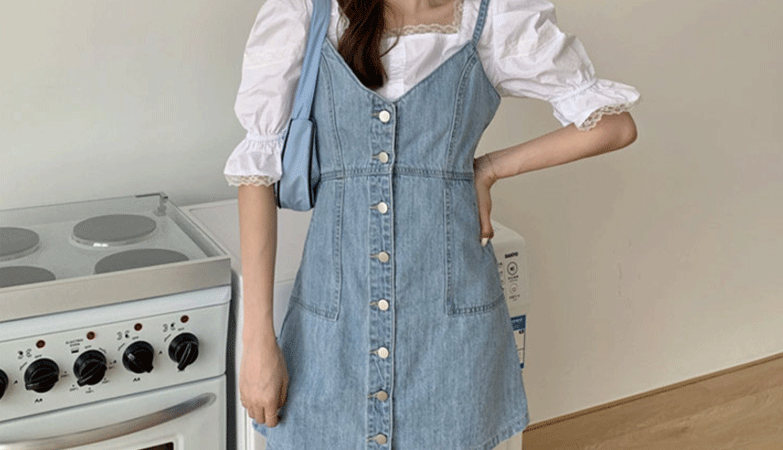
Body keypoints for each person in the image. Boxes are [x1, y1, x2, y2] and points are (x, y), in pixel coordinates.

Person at [223, 0, 640, 448]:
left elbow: (614, 125)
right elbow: (257, 172)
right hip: (331, 335)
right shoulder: (308, 11)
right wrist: (258, 343)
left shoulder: (492, 17)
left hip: (450, 340)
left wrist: (490, 167)